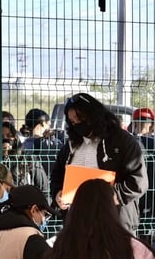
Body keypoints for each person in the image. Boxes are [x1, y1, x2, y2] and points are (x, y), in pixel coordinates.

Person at [50, 93, 147, 234]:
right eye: (72, 121)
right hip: (79, 223)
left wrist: (111, 196)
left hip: (114, 223)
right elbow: (57, 175)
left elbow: (139, 182)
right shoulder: (72, 144)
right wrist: (59, 193)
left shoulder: (122, 141)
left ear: (93, 115)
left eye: (79, 118)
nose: (76, 124)